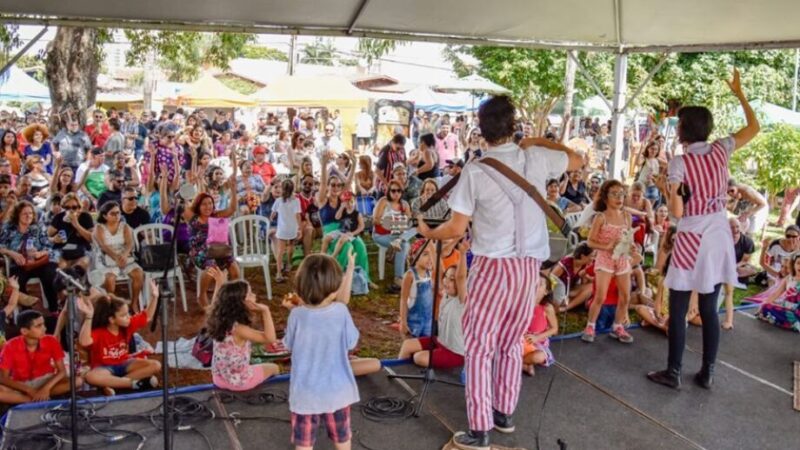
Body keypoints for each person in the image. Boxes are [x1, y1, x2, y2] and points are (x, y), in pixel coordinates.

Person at [416, 95, 582, 449]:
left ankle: (480, 428)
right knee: (510, 342)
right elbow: (578, 159)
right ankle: (504, 413)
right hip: (528, 269)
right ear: (514, 124)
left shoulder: (476, 170)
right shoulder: (536, 156)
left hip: (492, 266)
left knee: (478, 347)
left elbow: (456, 228)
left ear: (481, 129)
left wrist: (429, 232)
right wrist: (537, 140)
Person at [648, 68, 760, 390]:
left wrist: (668, 190)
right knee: (709, 307)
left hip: (691, 236)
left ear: (683, 130)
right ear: (707, 128)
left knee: (680, 305)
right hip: (719, 234)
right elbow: (754, 127)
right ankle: (708, 371)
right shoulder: (722, 149)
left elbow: (677, 211)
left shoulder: (680, 164)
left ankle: (674, 371)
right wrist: (739, 93)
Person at [283, 252, 359, 450]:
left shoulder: (296, 315)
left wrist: (294, 311)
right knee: (342, 439)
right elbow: (352, 342)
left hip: (306, 393)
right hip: (338, 392)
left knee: (304, 443)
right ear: (334, 290)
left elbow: (288, 344)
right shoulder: (341, 312)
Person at [77, 281, 161, 396]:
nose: (128, 317)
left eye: (128, 314)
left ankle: (114, 385)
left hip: (124, 363)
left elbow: (148, 316)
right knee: (91, 377)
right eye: (124, 315)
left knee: (155, 365)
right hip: (104, 368)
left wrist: (154, 297)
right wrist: (88, 317)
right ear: (111, 319)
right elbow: (84, 341)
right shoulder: (99, 332)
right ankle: (132, 384)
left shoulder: (127, 325)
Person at [398, 240, 468, 369]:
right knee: (408, 345)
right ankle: (397, 374)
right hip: (440, 342)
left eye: (452, 279)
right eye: (446, 277)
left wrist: (463, 254)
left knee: (419, 357)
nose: (447, 281)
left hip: (455, 352)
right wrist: (430, 241)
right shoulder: (446, 293)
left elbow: (461, 277)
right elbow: (439, 269)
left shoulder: (462, 300)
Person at [581, 180, 635, 344]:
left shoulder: (626, 216)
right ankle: (590, 325)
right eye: (614, 194)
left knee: (625, 296)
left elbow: (628, 237)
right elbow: (590, 242)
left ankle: (617, 326)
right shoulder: (601, 217)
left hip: (622, 258)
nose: (619, 197)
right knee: (600, 296)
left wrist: (630, 246)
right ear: (605, 197)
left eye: (621, 194)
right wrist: (607, 246)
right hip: (605, 258)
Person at [184, 156, 240, 307]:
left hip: (218, 249)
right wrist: (191, 183)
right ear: (198, 206)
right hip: (199, 251)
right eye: (204, 204)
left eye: (210, 204)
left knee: (234, 268)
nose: (208, 207)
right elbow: (183, 201)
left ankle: (232, 297)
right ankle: (202, 296)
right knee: (212, 265)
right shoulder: (193, 217)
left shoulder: (216, 215)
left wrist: (233, 190)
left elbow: (232, 209)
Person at [207, 278, 280, 391]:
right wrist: (266, 311)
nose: (254, 295)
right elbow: (270, 338)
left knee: (253, 365)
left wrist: (219, 282)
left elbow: (215, 302)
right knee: (275, 368)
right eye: (250, 293)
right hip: (238, 382)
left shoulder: (217, 320)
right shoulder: (239, 329)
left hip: (219, 378)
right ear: (241, 302)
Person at [0, 310, 78, 404]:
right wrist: (29, 390)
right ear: (24, 331)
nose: (44, 328)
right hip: (20, 384)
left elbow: (62, 371)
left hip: (45, 380)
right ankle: (36, 399)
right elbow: (4, 378)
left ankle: (34, 398)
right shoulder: (10, 346)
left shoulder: (51, 340)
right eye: (38, 326)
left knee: (77, 381)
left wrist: (45, 389)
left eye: (43, 324)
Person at [0, 201, 59, 311]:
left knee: (50, 274)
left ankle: (53, 309)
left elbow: (49, 246)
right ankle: (27, 313)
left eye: (31, 213)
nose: (29, 216)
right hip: (19, 264)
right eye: (25, 213)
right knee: (17, 280)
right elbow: (1, 246)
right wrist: (12, 253)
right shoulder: (9, 228)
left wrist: (40, 253)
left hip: (38, 262)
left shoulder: (38, 227)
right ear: (17, 215)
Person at [91, 201, 145, 312]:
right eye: (113, 213)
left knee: (139, 274)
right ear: (105, 216)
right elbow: (103, 246)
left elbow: (130, 243)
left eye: (118, 213)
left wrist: (124, 256)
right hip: (106, 258)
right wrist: (116, 257)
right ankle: (112, 306)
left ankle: (134, 303)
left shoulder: (124, 226)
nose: (117, 216)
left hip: (124, 257)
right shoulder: (99, 228)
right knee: (110, 279)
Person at [373, 180, 411, 293]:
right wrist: (391, 224)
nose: (396, 193)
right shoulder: (383, 201)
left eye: (399, 191)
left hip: (398, 234)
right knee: (404, 244)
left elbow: (409, 222)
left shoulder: (405, 204)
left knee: (411, 232)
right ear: (389, 191)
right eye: (393, 191)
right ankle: (398, 278)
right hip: (381, 234)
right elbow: (375, 221)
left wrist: (401, 225)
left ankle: (398, 278)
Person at [522, 275, 558, 376]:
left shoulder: (547, 308)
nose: (535, 286)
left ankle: (520, 363)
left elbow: (554, 329)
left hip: (536, 343)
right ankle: (524, 364)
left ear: (546, 291)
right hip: (518, 340)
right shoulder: (520, 303)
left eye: (540, 284)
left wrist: (537, 337)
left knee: (538, 357)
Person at [48, 193, 93, 271]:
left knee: (82, 264)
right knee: (61, 267)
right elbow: (47, 236)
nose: (71, 210)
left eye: (74, 207)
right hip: (62, 251)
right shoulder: (59, 217)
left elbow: (91, 238)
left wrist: (76, 224)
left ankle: (75, 276)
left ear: (79, 208)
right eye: (67, 208)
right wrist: (53, 239)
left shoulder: (85, 217)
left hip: (81, 252)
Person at [398, 240, 434, 338]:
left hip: (428, 323)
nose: (430, 258)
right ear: (415, 256)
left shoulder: (430, 274)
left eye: (432, 254)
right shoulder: (410, 275)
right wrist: (403, 322)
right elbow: (403, 300)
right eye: (425, 254)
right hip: (413, 323)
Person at [271, 179, 302, 283]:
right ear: (293, 189)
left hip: (282, 230)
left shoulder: (278, 201)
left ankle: (278, 273)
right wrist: (300, 228)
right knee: (291, 247)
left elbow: (273, 214)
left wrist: (271, 218)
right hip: (292, 229)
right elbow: (298, 215)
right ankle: (288, 264)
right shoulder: (296, 201)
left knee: (280, 251)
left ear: (282, 189)